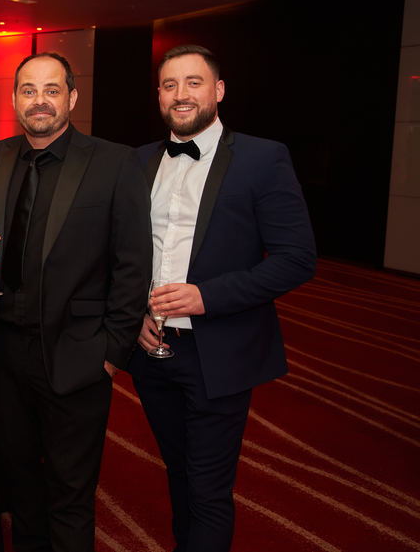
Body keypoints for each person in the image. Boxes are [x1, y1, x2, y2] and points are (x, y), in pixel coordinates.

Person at [0, 52, 151, 552]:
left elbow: (133, 263)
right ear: (14, 100)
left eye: (51, 90)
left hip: (78, 353)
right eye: (28, 90)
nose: (39, 101)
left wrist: (112, 352)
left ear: (72, 97)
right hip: (3, 354)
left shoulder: (114, 162)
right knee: (21, 490)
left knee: (70, 496)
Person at [128, 44, 316, 552]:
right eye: (170, 85)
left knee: (209, 488)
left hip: (219, 348)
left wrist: (205, 297)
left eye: (194, 82)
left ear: (219, 90)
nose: (181, 94)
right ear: (159, 95)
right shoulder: (138, 160)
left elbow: (297, 258)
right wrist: (134, 310)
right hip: (149, 347)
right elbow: (123, 252)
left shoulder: (262, 157)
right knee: (178, 471)